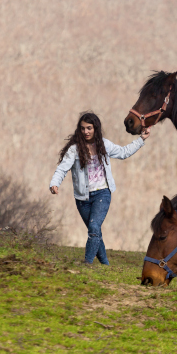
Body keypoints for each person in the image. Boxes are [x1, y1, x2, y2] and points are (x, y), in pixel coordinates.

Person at [50, 111, 150, 265]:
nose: (86, 132)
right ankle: (105, 264)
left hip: (102, 194)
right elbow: (63, 169)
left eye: (89, 128)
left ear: (95, 128)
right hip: (82, 198)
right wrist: (54, 183)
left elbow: (123, 153)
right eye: (83, 128)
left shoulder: (104, 144)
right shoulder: (74, 149)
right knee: (94, 232)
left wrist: (141, 139)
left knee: (94, 227)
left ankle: (87, 263)